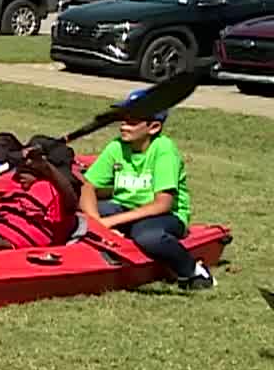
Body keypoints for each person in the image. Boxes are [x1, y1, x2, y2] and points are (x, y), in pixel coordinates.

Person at [79, 89, 214, 290]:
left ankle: (193, 271)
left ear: (154, 127)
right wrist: (95, 221)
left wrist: (108, 223)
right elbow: (87, 185)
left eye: (133, 122)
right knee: (76, 217)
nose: (124, 126)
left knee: (146, 236)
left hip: (165, 215)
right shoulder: (117, 147)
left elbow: (163, 204)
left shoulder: (164, 150)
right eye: (123, 120)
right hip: (123, 208)